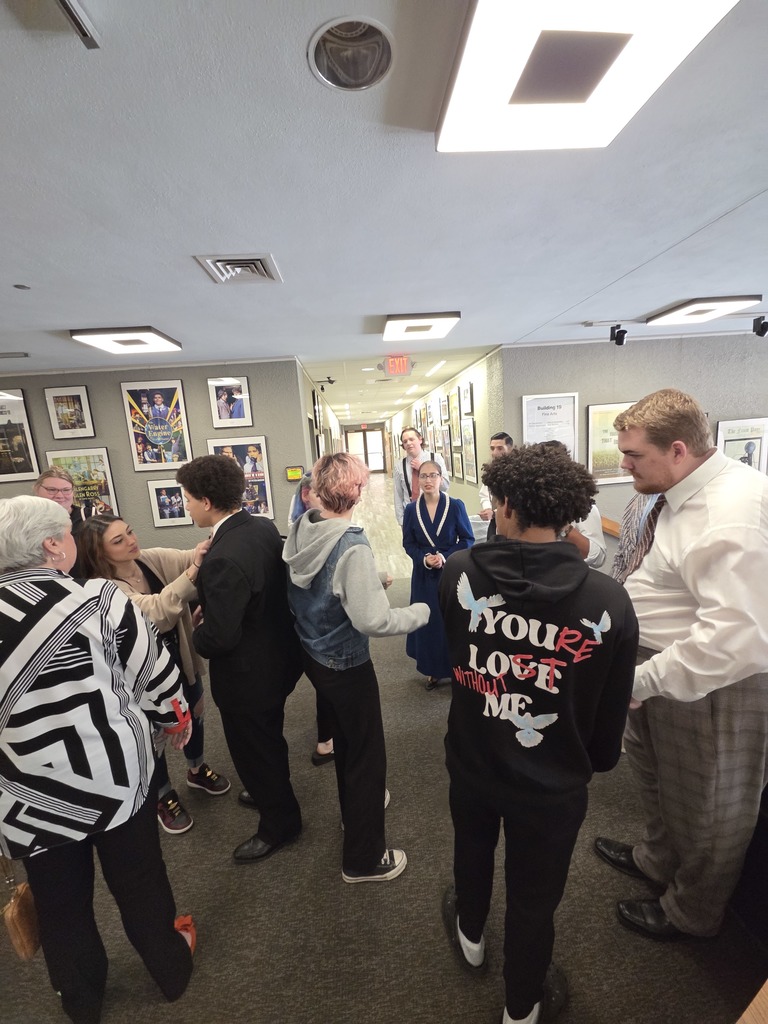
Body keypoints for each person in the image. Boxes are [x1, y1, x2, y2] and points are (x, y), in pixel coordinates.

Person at [438, 445, 638, 1024]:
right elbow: (609, 706)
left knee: (470, 849)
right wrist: (591, 761)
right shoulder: (607, 599)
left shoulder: (459, 572)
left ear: (503, 506)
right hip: (553, 780)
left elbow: (458, 656)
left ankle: (471, 934)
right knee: (534, 898)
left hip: (474, 758)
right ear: (570, 517)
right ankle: (520, 1008)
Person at [0, 496, 195, 1024]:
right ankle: (170, 971)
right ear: (51, 546)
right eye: (66, 531)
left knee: (60, 905)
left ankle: (82, 999)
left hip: (27, 796)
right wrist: (178, 719)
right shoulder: (105, 601)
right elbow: (155, 678)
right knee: (141, 883)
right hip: (118, 781)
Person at [595, 388, 768, 940]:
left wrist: (641, 680)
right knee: (659, 781)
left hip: (715, 681)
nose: (622, 467)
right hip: (660, 668)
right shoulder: (678, 491)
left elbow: (735, 637)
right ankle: (657, 860)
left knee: (712, 803)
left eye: (633, 456)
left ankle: (691, 912)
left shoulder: (729, 512)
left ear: (677, 449)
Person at [284, 454, 430, 883]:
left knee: (347, 742)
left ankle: (355, 812)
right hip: (347, 664)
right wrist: (420, 612)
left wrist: (371, 579)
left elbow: (322, 583)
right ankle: (363, 860)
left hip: (315, 655)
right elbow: (374, 621)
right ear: (357, 492)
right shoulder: (350, 544)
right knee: (367, 757)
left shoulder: (302, 528)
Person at [176, 455, 303, 863]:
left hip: (248, 676)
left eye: (188, 498)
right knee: (268, 740)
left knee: (254, 749)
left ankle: (279, 824)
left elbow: (219, 639)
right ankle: (271, 790)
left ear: (208, 501)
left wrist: (200, 630)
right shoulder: (261, 527)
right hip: (278, 658)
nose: (187, 505)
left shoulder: (223, 555)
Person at [77, 515, 231, 836]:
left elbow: (189, 556)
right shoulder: (103, 589)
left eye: (130, 531)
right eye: (119, 540)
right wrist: (193, 571)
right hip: (142, 679)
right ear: (99, 552)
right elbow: (157, 613)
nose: (132, 540)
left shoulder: (146, 559)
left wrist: (217, 536)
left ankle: (196, 768)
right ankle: (163, 795)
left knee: (195, 713)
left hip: (180, 660)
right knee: (154, 737)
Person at [403, 460, 474, 690]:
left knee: (450, 621)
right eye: (423, 476)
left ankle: (455, 669)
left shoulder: (455, 506)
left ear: (441, 478)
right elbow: (409, 543)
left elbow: (467, 540)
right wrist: (424, 559)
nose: (428, 481)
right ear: (418, 480)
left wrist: (445, 557)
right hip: (424, 576)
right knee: (428, 622)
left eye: (433, 476)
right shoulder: (411, 510)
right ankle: (432, 670)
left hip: (449, 572)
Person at [393, 426, 449, 526]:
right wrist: (401, 521)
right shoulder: (399, 466)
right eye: (405, 441)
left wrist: (423, 469)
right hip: (411, 515)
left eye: (411, 439)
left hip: (435, 512)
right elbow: (398, 494)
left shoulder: (436, 458)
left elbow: (445, 486)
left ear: (420, 440)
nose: (408, 443)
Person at [478, 432, 514, 541]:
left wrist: (494, 513)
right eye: (492, 448)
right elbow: (484, 494)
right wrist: (488, 508)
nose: (495, 453)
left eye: (500, 448)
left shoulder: (516, 472)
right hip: (494, 523)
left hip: (511, 523)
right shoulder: (491, 470)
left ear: (510, 448)